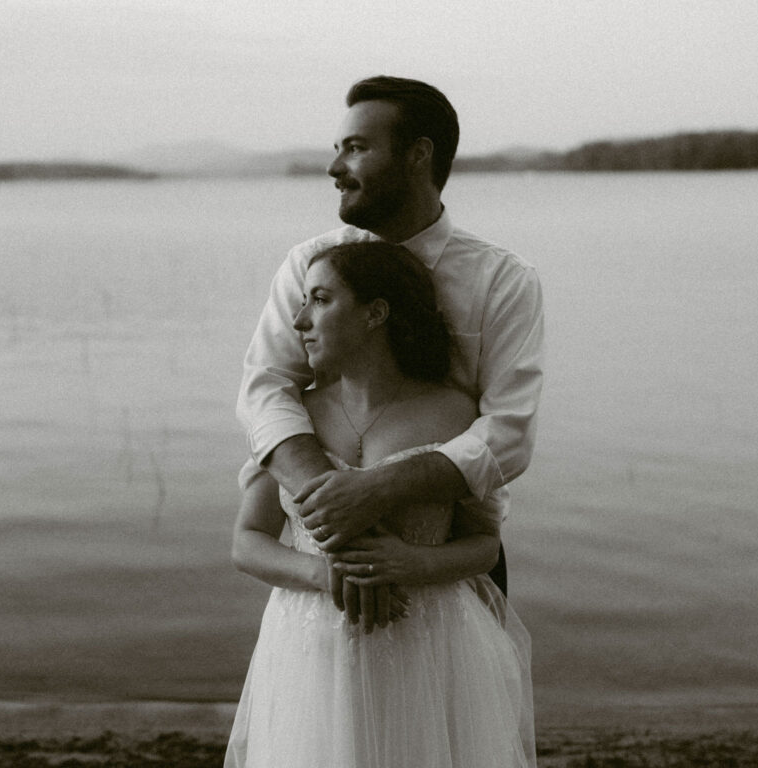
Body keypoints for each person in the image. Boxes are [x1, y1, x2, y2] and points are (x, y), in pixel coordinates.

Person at [235, 75, 545, 624]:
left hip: (448, 564)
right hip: (332, 558)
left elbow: (509, 433)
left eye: (355, 148)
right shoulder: (308, 266)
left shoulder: (501, 280)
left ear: (417, 155)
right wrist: (336, 513)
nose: (334, 169)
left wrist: (378, 490)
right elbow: (266, 389)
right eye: (338, 150)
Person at [226, 242, 535, 767]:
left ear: (376, 312)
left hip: (430, 643)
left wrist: (414, 564)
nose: (299, 320)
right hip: (309, 649)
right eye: (302, 302)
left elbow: (484, 545)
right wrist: (323, 574)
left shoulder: (454, 415)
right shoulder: (290, 420)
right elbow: (247, 542)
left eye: (320, 300)